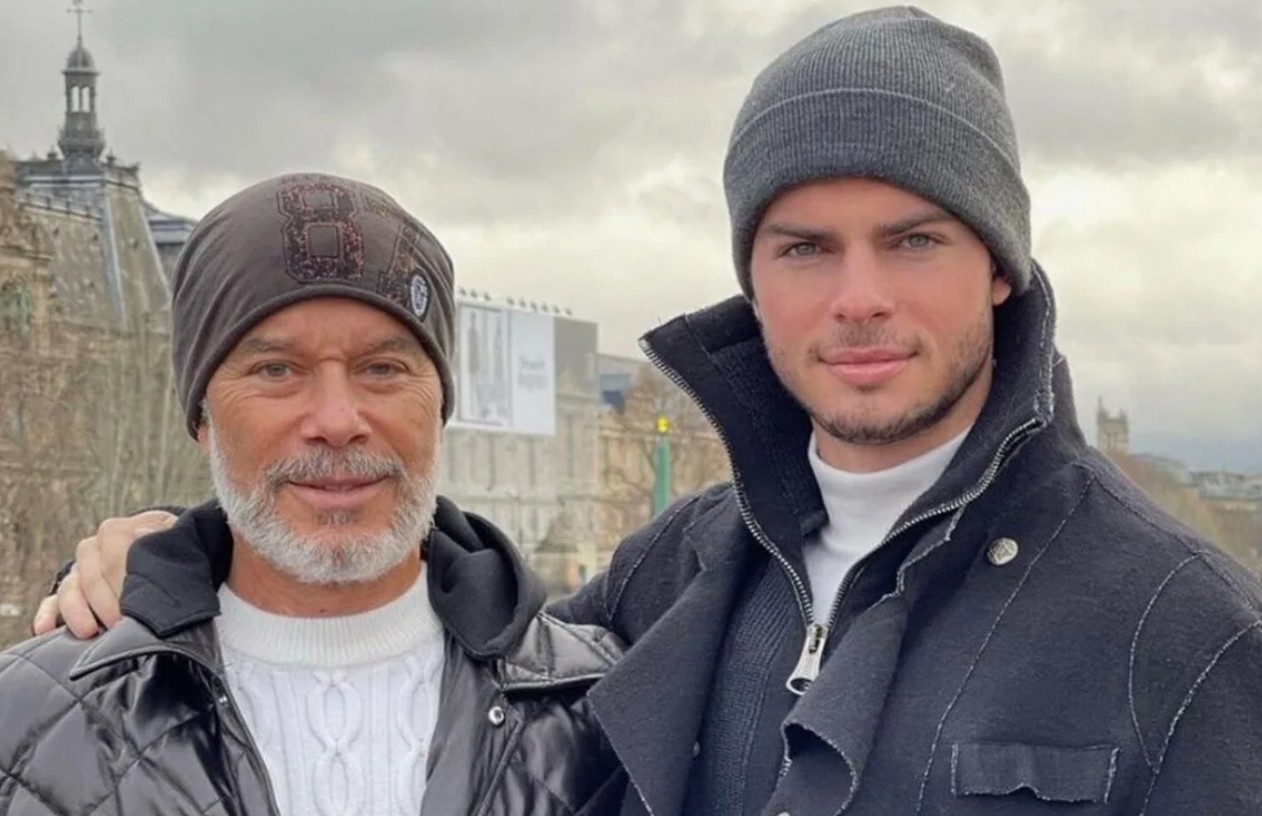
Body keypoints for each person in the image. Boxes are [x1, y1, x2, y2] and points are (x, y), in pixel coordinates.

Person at [36, 7, 1262, 815]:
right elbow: (411, 602)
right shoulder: (672, 571)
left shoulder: (1183, 627)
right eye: (803, 247)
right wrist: (186, 557)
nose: (858, 298)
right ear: (750, 280)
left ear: (998, 265)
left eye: (912, 240)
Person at [3, 172, 624, 816]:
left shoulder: (613, 710)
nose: (336, 419)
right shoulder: (26, 724)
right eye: (277, 370)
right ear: (202, 420)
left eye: (381, 369)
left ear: (439, 407)